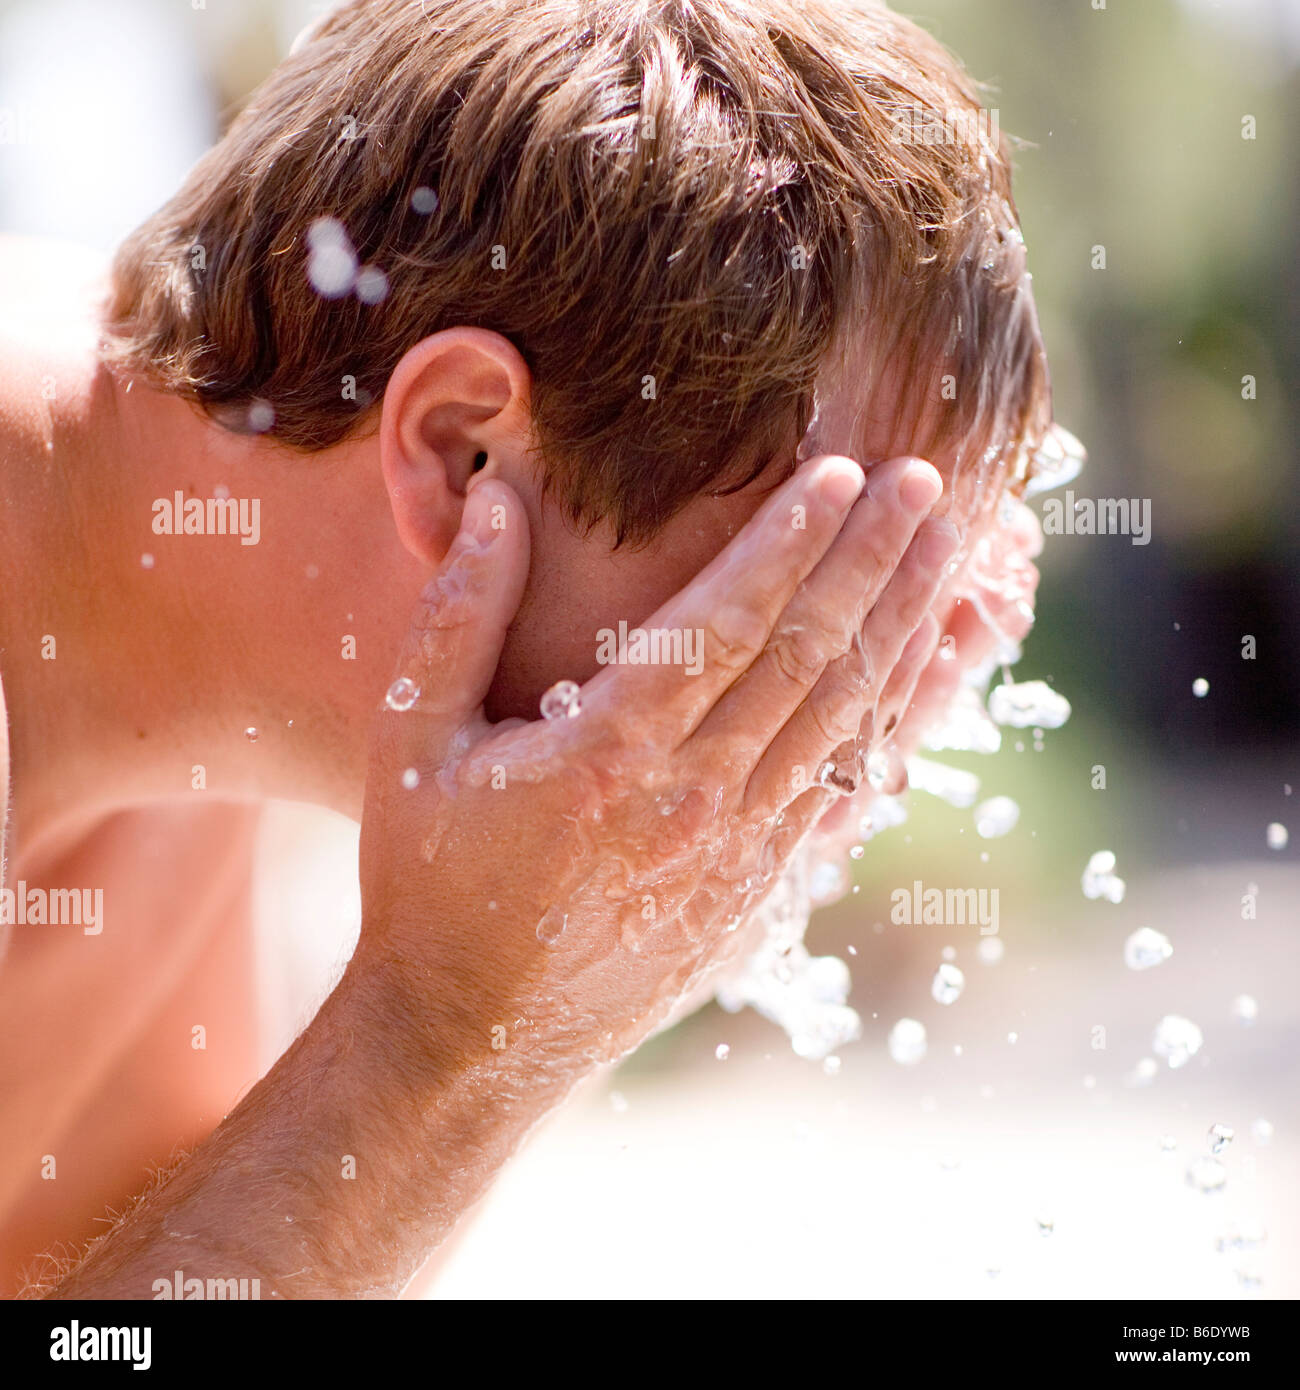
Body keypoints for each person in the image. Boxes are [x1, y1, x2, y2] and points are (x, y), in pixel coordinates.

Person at [0, 0, 1052, 1297]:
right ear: (459, 454)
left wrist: (578, 975)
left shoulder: (174, 639)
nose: (839, 708)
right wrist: (438, 1042)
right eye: (801, 591)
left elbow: (107, 1309)